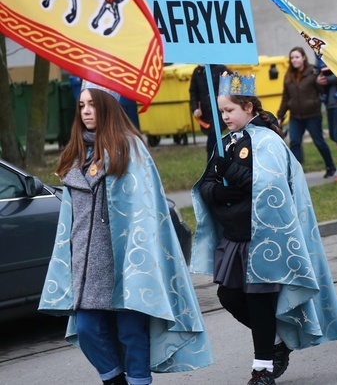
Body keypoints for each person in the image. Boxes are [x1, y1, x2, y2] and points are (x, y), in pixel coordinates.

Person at [39, 81, 213, 385]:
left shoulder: (130, 149)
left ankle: (138, 381)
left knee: (132, 333)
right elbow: (70, 219)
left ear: (107, 105)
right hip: (87, 266)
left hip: (128, 263)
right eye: (82, 106)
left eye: (92, 104)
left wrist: (140, 260)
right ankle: (114, 380)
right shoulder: (76, 153)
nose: (86, 112)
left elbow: (145, 212)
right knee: (89, 330)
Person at [192, 71, 337, 384]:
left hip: (264, 237)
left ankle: (262, 368)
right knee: (229, 296)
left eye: (229, 110)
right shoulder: (226, 142)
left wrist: (232, 176)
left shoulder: (267, 141)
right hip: (235, 238)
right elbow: (207, 182)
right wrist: (219, 191)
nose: (225, 117)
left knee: (259, 301)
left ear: (248, 107)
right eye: (221, 112)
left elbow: (271, 186)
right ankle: (276, 341)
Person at [277, 46, 337, 177]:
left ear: (303, 58)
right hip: (295, 116)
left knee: (319, 142)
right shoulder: (288, 76)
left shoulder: (313, 72)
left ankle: (330, 166)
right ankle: (297, 173)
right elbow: (286, 97)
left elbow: (322, 92)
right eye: (292, 58)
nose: (294, 60)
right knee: (295, 142)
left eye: (297, 57)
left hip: (313, 115)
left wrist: (320, 84)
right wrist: (280, 116)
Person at [190, 64, 230, 160]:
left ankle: (213, 162)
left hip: (220, 111)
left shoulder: (221, 69)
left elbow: (231, 85)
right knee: (213, 138)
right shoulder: (197, 72)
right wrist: (195, 108)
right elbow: (193, 92)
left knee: (213, 138)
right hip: (206, 113)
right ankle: (215, 161)